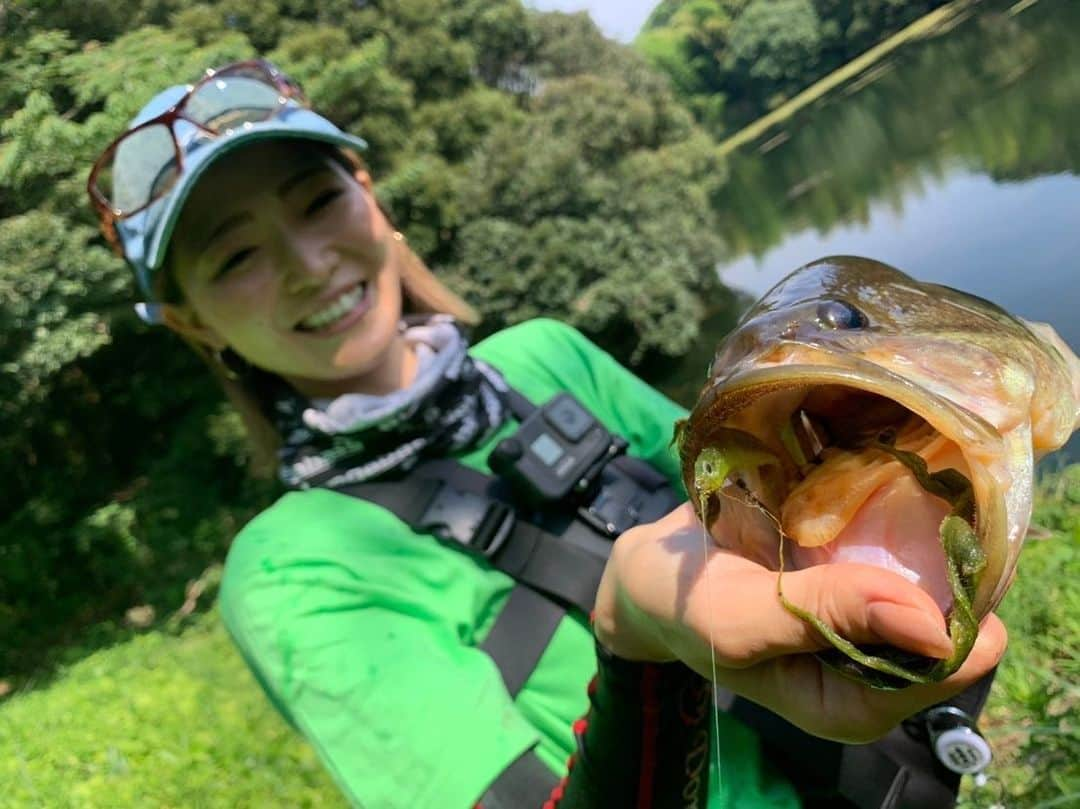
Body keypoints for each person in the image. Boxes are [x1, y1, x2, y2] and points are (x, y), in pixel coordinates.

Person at [87, 59, 1007, 809]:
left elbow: (764, 490)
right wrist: (639, 645)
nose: (307, 262)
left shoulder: (545, 357)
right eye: (237, 255)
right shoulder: (291, 570)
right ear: (190, 321)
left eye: (316, 201)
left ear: (370, 196)